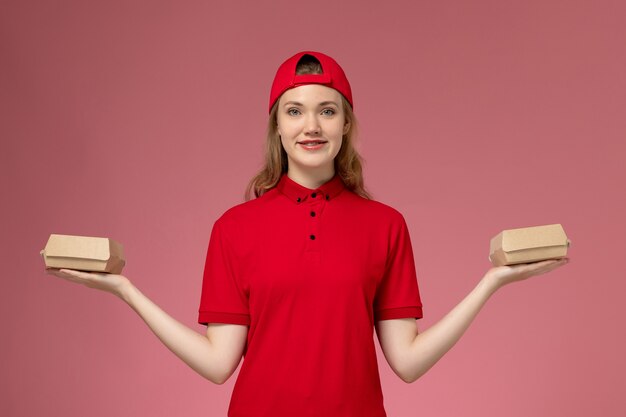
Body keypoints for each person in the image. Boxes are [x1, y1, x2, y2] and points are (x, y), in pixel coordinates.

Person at [46, 51, 569, 417]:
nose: (311, 125)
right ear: (277, 125)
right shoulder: (234, 228)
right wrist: (126, 291)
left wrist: (491, 282)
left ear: (345, 124)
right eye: (295, 111)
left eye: (327, 110)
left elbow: (407, 363)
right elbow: (217, 363)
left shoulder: (385, 225)